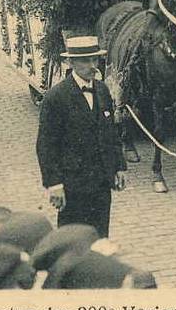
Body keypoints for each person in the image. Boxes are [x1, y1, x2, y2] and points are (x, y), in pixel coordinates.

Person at [36, 35, 126, 238]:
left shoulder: (102, 90)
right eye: (85, 61)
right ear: (70, 63)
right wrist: (54, 184)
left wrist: (119, 166)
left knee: (101, 236)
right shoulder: (56, 97)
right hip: (72, 185)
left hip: (101, 182)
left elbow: (111, 132)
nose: (92, 66)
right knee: (72, 240)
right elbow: (46, 145)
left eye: (95, 60)